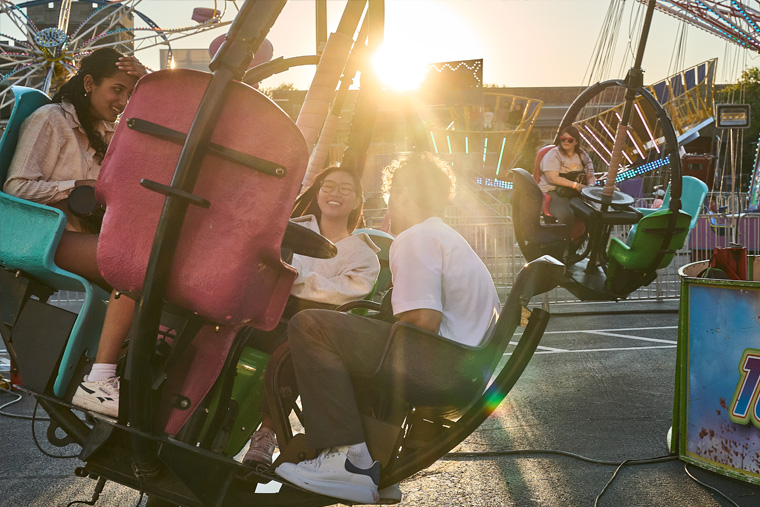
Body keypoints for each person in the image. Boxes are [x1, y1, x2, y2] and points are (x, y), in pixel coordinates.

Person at [274, 152, 500, 505]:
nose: (391, 203)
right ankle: (376, 466)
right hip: (458, 366)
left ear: (406, 192)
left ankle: (348, 458)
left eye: (393, 193)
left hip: (435, 364)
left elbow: (423, 319)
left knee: (310, 325)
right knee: (350, 335)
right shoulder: (445, 236)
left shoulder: (417, 238)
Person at [4, 48, 147, 417]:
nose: (123, 102)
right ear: (88, 83)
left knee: (155, 264)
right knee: (133, 269)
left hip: (74, 234)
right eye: (117, 90)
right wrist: (78, 185)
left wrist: (147, 84)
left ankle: (122, 371)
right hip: (40, 237)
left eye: (129, 94)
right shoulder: (50, 119)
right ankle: (100, 380)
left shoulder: (103, 131)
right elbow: (16, 188)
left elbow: (152, 136)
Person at [243, 165, 381, 466]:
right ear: (317, 193)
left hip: (314, 328)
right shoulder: (289, 228)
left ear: (357, 200)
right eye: (328, 186)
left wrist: (295, 275)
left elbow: (343, 292)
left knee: (296, 341)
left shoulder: (364, 255)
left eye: (345, 189)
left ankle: (267, 434)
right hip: (263, 311)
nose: (335, 193)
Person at [537, 126, 596, 234]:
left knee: (596, 214)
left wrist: (590, 188)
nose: (566, 142)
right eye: (563, 139)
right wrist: (575, 185)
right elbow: (552, 178)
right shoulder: (553, 154)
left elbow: (590, 175)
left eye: (570, 140)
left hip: (575, 192)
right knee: (566, 214)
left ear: (576, 142)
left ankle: (586, 243)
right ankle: (562, 245)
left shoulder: (582, 155)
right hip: (553, 191)